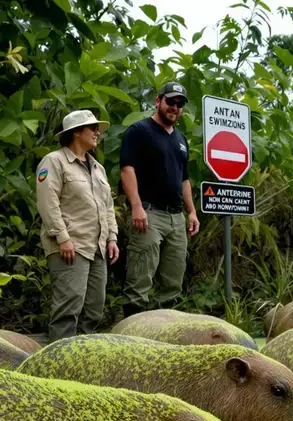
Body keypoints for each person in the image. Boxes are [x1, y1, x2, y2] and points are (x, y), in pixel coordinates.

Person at [35, 109, 120, 341]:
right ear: (76, 133)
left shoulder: (97, 168)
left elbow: (108, 206)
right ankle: (57, 363)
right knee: (68, 308)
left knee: (94, 308)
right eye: (92, 128)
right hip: (71, 245)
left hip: (98, 248)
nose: (96, 132)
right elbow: (47, 201)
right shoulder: (54, 161)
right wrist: (62, 238)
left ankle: (80, 358)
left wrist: (112, 237)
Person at [119, 81, 200, 317]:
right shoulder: (139, 131)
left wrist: (192, 211)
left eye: (180, 104)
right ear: (158, 101)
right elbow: (127, 169)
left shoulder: (181, 140)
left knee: (173, 284)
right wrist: (136, 206)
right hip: (149, 213)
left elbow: (184, 180)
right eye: (171, 102)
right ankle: (131, 339)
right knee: (139, 281)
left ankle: (164, 338)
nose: (175, 108)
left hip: (176, 218)